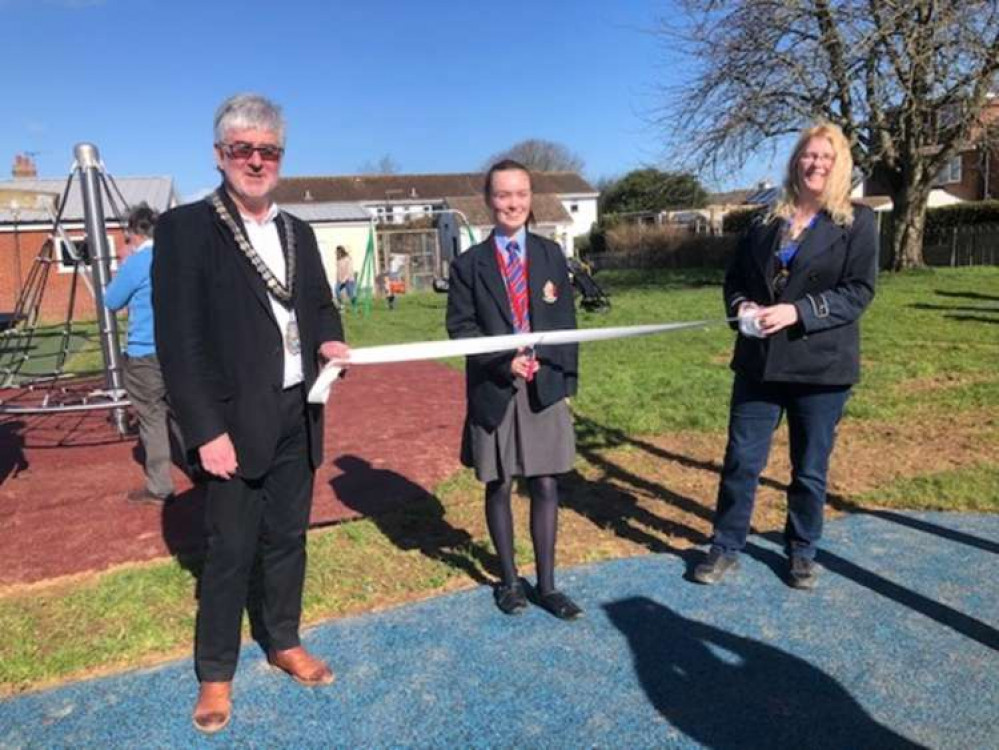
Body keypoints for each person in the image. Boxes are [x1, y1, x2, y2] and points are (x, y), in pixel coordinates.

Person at [152, 94, 348, 734]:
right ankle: (215, 674)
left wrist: (331, 339)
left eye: (268, 150)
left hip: (299, 411)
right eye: (243, 149)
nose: (256, 161)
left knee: (288, 539)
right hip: (231, 425)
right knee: (230, 549)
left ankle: (285, 640)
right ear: (220, 155)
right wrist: (205, 430)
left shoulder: (299, 231)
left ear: (280, 158)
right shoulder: (185, 229)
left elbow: (318, 304)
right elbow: (178, 344)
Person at [693, 122, 878, 590]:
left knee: (809, 467)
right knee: (741, 459)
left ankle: (801, 550)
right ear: (796, 161)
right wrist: (744, 309)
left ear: (839, 167)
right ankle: (726, 545)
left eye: (826, 158)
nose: (815, 164)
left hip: (821, 366)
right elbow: (734, 280)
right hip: (759, 362)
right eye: (808, 155)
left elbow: (859, 292)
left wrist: (798, 312)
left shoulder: (857, 222)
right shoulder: (764, 219)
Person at [445, 159, 582, 620]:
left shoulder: (551, 255)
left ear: (531, 197)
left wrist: (564, 380)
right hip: (495, 386)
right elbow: (460, 329)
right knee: (500, 482)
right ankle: (509, 582)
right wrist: (505, 361)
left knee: (545, 483)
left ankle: (547, 585)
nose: (513, 203)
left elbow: (566, 323)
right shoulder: (468, 265)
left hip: (543, 384)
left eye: (521, 194)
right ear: (489, 201)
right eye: (503, 195)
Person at [104, 203, 176, 503]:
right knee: (181, 412)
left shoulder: (138, 261)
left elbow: (111, 300)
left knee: (151, 416)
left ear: (134, 233)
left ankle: (159, 486)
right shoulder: (174, 257)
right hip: (176, 350)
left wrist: (122, 266)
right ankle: (203, 470)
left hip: (145, 351)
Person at [334, 245, 356, 310]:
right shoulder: (338, 260)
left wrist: (344, 279)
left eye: (337, 252)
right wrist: (338, 279)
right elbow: (338, 271)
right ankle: (341, 305)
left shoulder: (348, 259)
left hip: (348, 280)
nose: (336, 253)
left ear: (341, 252)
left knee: (350, 294)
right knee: (337, 290)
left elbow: (349, 271)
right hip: (340, 280)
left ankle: (354, 306)